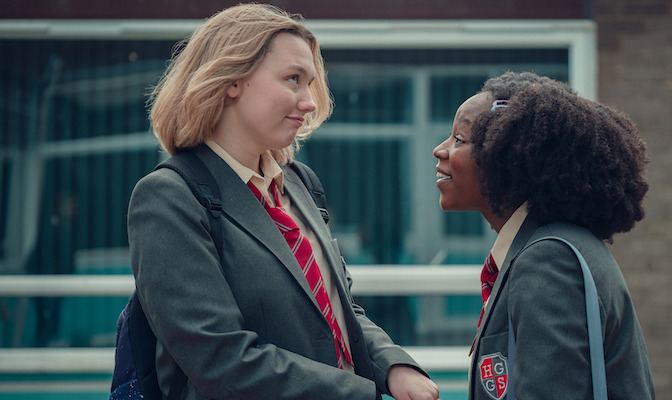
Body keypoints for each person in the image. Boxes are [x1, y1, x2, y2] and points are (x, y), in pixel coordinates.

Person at [128, 4, 439, 399]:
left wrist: (393, 365)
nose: (309, 102)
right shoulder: (169, 197)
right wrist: (359, 392)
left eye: (309, 83)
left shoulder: (299, 183)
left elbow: (337, 309)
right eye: (293, 79)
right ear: (232, 80)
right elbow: (219, 360)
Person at [433, 71, 655, 399]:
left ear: (506, 156)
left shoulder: (548, 260)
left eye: (459, 139)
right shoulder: (548, 247)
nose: (440, 150)